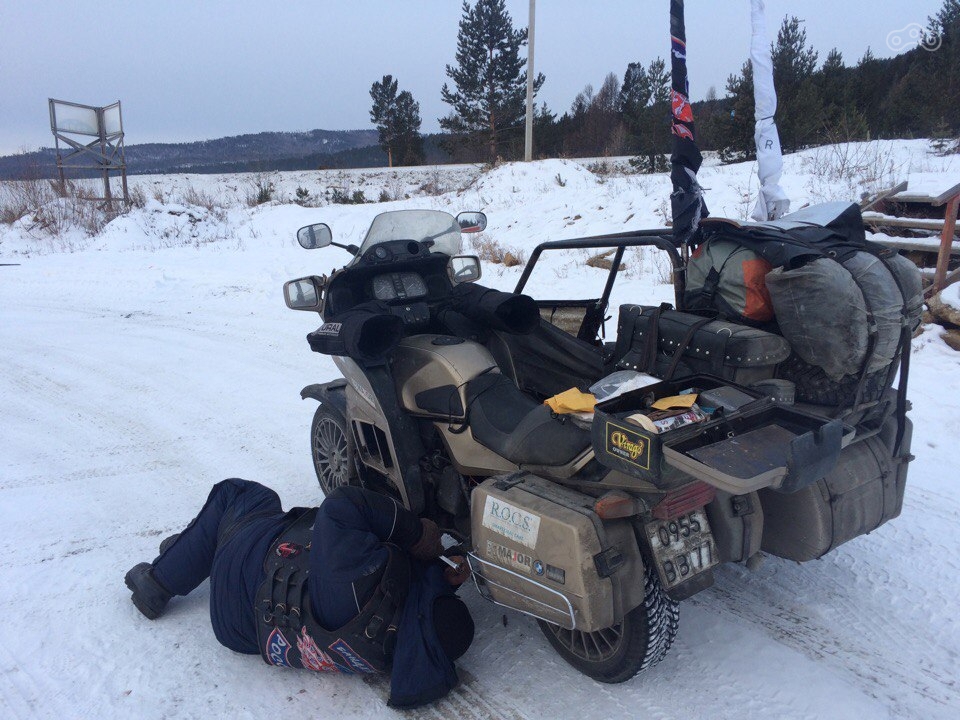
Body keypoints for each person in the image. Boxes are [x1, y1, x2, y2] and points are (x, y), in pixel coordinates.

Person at [124, 479, 474, 709]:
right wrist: (439, 577)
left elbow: (344, 504)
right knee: (242, 532)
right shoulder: (393, 645)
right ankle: (199, 551)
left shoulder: (356, 579)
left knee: (246, 496)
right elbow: (419, 609)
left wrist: (418, 535)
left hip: (247, 565)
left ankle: (158, 581)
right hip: (243, 633)